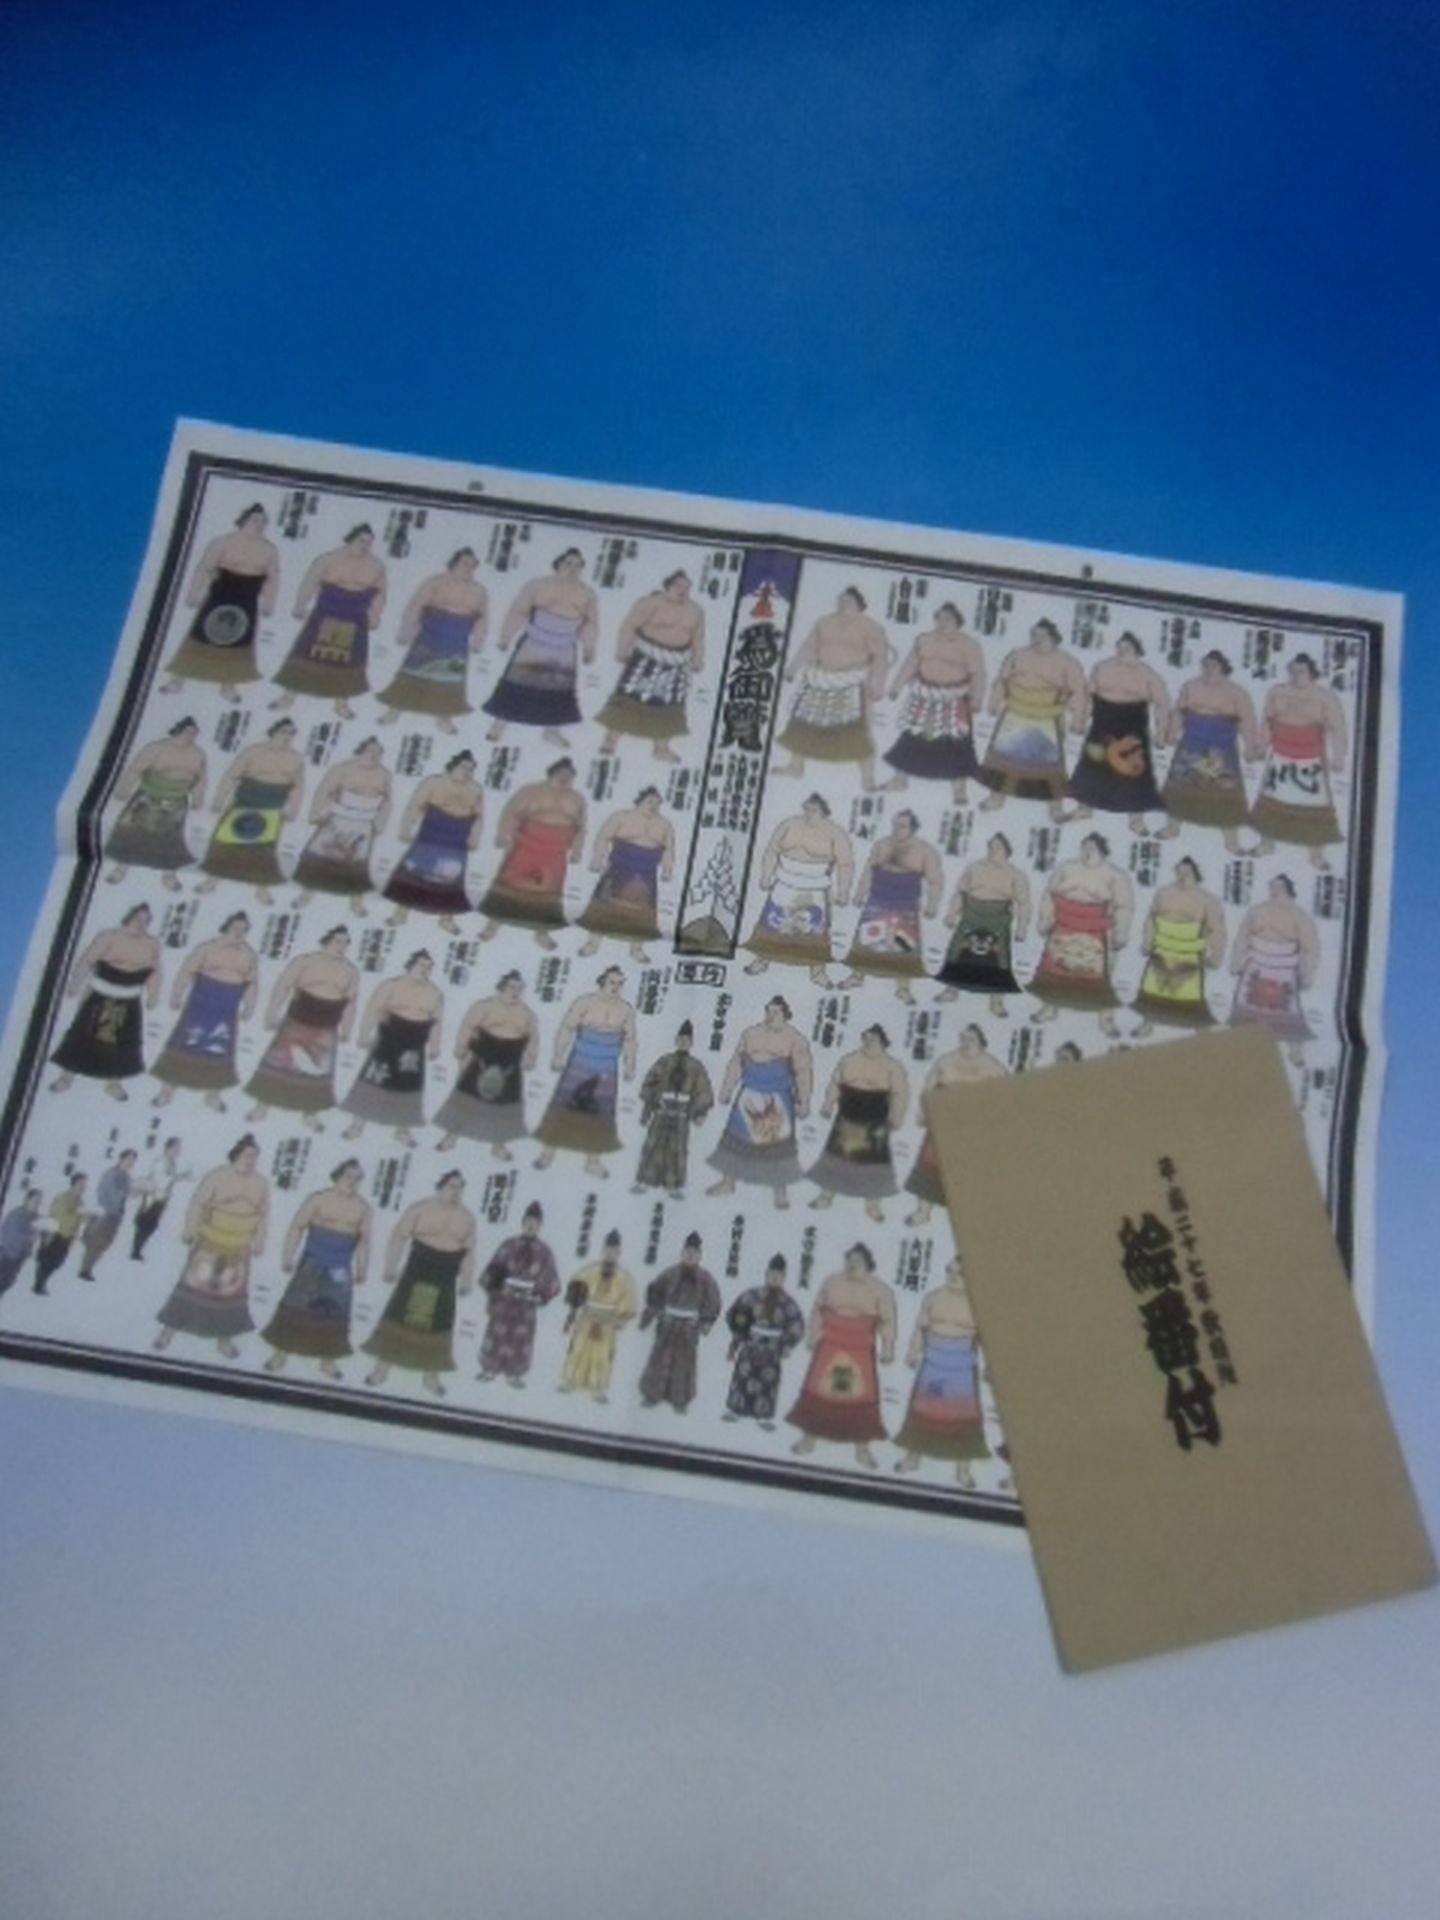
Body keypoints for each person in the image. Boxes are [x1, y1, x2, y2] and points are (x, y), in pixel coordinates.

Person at [363, 1170, 477, 1397]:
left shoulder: (467, 1218)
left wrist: (466, 1279)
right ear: (440, 1187)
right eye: (452, 1186)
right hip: (417, 1268)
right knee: (398, 1318)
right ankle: (381, 1370)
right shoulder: (420, 1209)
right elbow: (399, 1236)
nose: (456, 1191)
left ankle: (430, 1378)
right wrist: (390, 1267)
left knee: (440, 1326)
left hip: (446, 1273)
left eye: (460, 1187)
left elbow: (469, 1251)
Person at [153, 1135, 268, 1359]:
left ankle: (224, 1342)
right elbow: (198, 1203)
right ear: (237, 1154)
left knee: (230, 1297)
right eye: (248, 1155)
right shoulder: (217, 1176)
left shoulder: (261, 1183)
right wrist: (190, 1229)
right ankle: (167, 1334)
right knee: (191, 1289)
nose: (252, 1160)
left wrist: (259, 1241)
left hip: (239, 1247)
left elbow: (264, 1215)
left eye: (255, 1156)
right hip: (210, 1241)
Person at [787, 1243, 897, 1469]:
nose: (852, 1264)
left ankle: (862, 1449)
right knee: (817, 1393)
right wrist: (813, 1335)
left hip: (860, 1348)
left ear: (868, 1264)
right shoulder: (832, 1282)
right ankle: (808, 1440)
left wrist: (888, 1348)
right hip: (829, 1344)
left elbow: (888, 1321)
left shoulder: (880, 1290)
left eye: (858, 1261)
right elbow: (818, 1310)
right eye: (849, 1260)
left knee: (861, 1399)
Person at [261, 1160, 372, 1380]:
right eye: (349, 1176)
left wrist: (362, 1269)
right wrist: (288, 1256)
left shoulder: (363, 1208)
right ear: (337, 1176)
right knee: (295, 1307)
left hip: (340, 1268)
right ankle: (280, 1354)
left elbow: (364, 1241)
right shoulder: (318, 1199)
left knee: (335, 1314)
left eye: (358, 1179)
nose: (353, 1182)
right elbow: (297, 1227)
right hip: (312, 1262)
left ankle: (327, 1362)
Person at [773, 587, 890, 788]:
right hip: (820, 679)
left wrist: (877, 685)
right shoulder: (824, 622)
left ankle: (868, 777)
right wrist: (792, 668)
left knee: (861, 731)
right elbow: (808, 647)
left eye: (849, 601)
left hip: (854, 683)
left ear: (860, 605)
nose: (843, 604)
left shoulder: (871, 628)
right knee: (802, 724)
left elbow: (880, 658)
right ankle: (795, 766)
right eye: (841, 600)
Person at [160, 502, 279, 698]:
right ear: (244, 520)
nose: (259, 525)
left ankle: (228, 685)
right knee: (200, 636)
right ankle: (178, 680)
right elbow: (205, 568)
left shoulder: (269, 550)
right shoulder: (223, 542)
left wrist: (269, 603)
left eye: (263, 522)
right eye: (255, 520)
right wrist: (193, 594)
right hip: (221, 593)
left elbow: (272, 578)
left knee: (239, 642)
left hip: (248, 598)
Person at [244, 927, 360, 1126]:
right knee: (280, 1063)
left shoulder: (351, 971)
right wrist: (271, 1014)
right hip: (298, 1017)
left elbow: (350, 1003)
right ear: (326, 941)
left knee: (317, 1070)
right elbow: (283, 986)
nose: (342, 946)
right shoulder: (305, 961)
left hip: (327, 1024)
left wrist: (347, 1030)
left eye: (346, 943)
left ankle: (310, 1113)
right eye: (338, 941)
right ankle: (262, 1105)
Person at [483, 547, 598, 746]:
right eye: (568, 563)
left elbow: (590, 623)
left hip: (564, 647)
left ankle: (551, 730)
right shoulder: (537, 585)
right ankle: (499, 724)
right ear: (558, 565)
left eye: (578, 565)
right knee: (516, 684)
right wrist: (506, 637)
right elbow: (518, 611)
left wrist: (589, 649)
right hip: (534, 642)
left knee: (559, 691)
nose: (573, 569)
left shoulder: (587, 594)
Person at [706, 997, 813, 1209]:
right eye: (768, 1011)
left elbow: (803, 1073)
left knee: (778, 1146)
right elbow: (736, 1063)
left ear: (786, 1015)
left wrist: (804, 1101)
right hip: (749, 1093)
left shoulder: (795, 1039)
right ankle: (728, 1182)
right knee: (736, 1140)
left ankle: (780, 1190)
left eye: (776, 1012)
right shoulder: (750, 1034)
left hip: (777, 1097)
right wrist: (727, 1089)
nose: (770, 1016)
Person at [893, 1257, 991, 1488]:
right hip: (933, 1363)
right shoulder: (933, 1298)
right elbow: (920, 1328)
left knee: (964, 1419)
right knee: (922, 1412)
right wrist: (913, 1352)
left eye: (960, 1273)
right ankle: (912, 1459)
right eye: (950, 1271)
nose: (953, 1277)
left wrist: (989, 1367)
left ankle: (962, 1471)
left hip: (962, 1367)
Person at [271, 523, 387, 717]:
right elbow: (310, 582)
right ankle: (288, 697)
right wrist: (300, 605)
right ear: (351, 538)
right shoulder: (329, 559)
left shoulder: (377, 566)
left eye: (369, 542)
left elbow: (380, 594)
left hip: (356, 615)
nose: (365, 545)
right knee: (306, 654)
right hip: (326, 611)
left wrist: (375, 616)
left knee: (350, 661)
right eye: (361, 540)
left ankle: (341, 704)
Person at [532, 968, 638, 1176]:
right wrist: (558, 1055)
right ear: (602, 981)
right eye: (612, 982)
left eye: (620, 983)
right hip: (580, 1060)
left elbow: (630, 1040)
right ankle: (547, 1152)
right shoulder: (585, 1002)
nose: (616, 987)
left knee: (600, 1112)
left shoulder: (626, 1010)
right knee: (564, 1106)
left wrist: (630, 1065)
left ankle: (593, 1160)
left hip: (607, 1065)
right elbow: (567, 1028)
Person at [49, 905, 162, 1099]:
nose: (141, 924)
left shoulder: (152, 944)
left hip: (129, 999)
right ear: (128, 917)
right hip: (100, 994)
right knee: (83, 1035)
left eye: (146, 920)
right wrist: (75, 984)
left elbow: (155, 972)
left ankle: (113, 1083)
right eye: (138, 918)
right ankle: (66, 1078)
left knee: (124, 1043)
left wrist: (153, 995)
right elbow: (87, 959)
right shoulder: (109, 936)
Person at [977, 618, 1087, 818]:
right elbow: (1002, 680)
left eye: (1041, 635)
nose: (1036, 639)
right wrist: (994, 702)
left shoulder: (1067, 662)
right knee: (1002, 761)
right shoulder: (1018, 655)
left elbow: (1078, 691)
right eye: (1033, 634)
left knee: (1050, 767)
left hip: (1047, 717)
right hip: (1015, 712)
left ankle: (1055, 808)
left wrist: (1078, 720)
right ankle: (996, 798)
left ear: (1053, 638)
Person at [150, 911, 259, 1110]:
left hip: (227, 1010)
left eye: (244, 930)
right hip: (200, 1005)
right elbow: (187, 971)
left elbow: (251, 983)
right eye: (236, 927)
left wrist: (249, 1007)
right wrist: (176, 995)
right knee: (184, 1045)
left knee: (219, 1050)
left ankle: (213, 1095)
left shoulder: (249, 955)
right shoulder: (207, 948)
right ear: (227, 927)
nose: (239, 932)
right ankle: (167, 1091)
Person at [1249, 654, 1349, 869]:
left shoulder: (1324, 697)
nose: (1296, 676)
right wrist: (1261, 746)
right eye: (1292, 671)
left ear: (1311, 673)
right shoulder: (1277, 693)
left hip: (1310, 760)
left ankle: (1316, 855)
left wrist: (1339, 757)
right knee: (1271, 802)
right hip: (1280, 756)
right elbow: (1267, 722)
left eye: (1301, 671)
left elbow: (1337, 728)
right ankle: (1266, 844)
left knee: (1315, 807)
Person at [1029, 832, 1134, 1035]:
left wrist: (1121, 933)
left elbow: (1124, 907)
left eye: (1092, 847)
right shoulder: (1067, 868)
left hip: (1098, 932)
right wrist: (1044, 920)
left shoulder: (1115, 875)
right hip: (1063, 927)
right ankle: (1049, 1009)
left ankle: (1106, 1019)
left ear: (1102, 851)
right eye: (1085, 846)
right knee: (1053, 973)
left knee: (1102, 980)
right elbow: (1049, 895)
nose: (1087, 851)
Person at [1064, 632, 1171, 832]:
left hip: (1132, 724)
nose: (1121, 651)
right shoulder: (1102, 667)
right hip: (1103, 721)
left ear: (1137, 651)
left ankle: (1136, 818)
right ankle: (1084, 808)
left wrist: (1161, 735)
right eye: (1119, 647)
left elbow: (1162, 705)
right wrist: (1079, 721)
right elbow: (1087, 696)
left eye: (1127, 648)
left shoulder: (1148, 674)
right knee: (1092, 766)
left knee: (1134, 772)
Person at [595, 570, 706, 760]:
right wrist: (623, 649)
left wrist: (698, 658)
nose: (683, 590)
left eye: (687, 587)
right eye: (678, 585)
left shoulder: (696, 610)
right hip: (646, 657)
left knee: (669, 706)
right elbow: (630, 625)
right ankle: (611, 741)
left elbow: (698, 637)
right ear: (668, 585)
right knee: (628, 700)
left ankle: (661, 748)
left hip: (677, 663)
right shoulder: (650, 603)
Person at [1157, 650, 1262, 850]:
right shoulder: (1191, 686)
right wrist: (1171, 733)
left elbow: (1247, 721)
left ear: (1223, 668)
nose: (1208, 669)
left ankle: (1231, 841)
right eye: (1205, 665)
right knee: (1178, 789)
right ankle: (1172, 828)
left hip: (1221, 749)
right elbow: (1179, 712)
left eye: (1213, 665)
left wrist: (1250, 747)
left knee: (1226, 793)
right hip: (1191, 745)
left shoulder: (1237, 693)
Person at [475, 758, 586, 947]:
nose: (565, 778)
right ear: (552, 773)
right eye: (562, 773)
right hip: (526, 845)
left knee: (549, 892)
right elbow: (511, 812)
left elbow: (581, 827)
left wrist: (577, 849)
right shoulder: (531, 791)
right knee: (510, 885)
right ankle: (493, 925)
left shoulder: (577, 799)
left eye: (569, 775)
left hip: (556, 851)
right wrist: (503, 834)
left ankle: (541, 932)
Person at [744, 795, 854, 985]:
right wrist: (766, 875)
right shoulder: (789, 824)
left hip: (815, 888)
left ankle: (818, 971)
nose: (808, 814)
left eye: (814, 810)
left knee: (815, 931)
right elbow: (772, 850)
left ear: (824, 812)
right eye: (806, 809)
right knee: (772, 924)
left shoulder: (835, 832)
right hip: (784, 883)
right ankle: (762, 959)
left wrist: (843, 891)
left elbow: (845, 863)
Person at [882, 602, 987, 799]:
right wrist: (896, 686)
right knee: (911, 739)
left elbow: (978, 674)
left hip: (954, 700)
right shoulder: (924, 640)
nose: (942, 623)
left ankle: (959, 790)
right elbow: (910, 664)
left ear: (957, 621)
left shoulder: (969, 645)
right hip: (925, 697)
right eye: (938, 618)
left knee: (958, 745)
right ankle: (900, 780)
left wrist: (977, 699)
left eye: (947, 619)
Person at [904, 1027, 1006, 1227]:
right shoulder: (946, 1060)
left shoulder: (992, 1067)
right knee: (929, 1168)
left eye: (971, 1039)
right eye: (963, 1038)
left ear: (981, 1041)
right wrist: (922, 1112)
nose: (966, 1043)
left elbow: (1004, 1096)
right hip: (942, 1121)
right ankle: (922, 1212)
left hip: (973, 1126)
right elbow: (929, 1086)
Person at [376, 547, 489, 729]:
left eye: (473, 565)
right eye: (465, 563)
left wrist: (478, 641)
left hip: (457, 641)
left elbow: (482, 618)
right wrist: (406, 631)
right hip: (430, 635)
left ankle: (444, 718)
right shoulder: (435, 582)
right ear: (454, 563)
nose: (469, 568)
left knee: (451, 679)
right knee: (412, 673)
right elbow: (416, 606)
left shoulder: (479, 591)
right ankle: (394, 711)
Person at [340, 952, 444, 1147]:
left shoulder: (435, 993)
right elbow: (373, 1010)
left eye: (430, 966)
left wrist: (434, 1047)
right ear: (410, 965)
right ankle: (357, 1125)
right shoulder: (390, 986)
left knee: (409, 1088)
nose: (426, 970)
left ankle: (402, 1130)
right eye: (422, 965)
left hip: (414, 1045)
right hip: (388, 1040)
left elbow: (436, 1023)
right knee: (373, 1082)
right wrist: (364, 1035)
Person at [837, 810, 942, 1003]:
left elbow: (935, 880)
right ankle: (857, 976)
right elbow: (869, 870)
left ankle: (903, 988)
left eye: (902, 826)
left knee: (904, 945)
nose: (897, 829)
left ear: (912, 828)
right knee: (867, 938)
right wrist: (860, 893)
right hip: (878, 898)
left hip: (905, 903)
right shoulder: (882, 844)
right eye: (895, 825)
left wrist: (932, 904)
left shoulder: (925, 850)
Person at [808, 1026, 910, 1222]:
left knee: (875, 1165)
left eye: (873, 1039)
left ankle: (873, 1206)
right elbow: (835, 1083)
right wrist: (828, 1104)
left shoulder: (893, 1066)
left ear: (883, 1042)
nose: (867, 1042)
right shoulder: (849, 1060)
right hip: (847, 1115)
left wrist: (895, 1120)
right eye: (865, 1038)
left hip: (875, 1118)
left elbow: (900, 1095)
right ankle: (826, 1197)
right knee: (835, 1160)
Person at [433, 972, 538, 1156]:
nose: (516, 992)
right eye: (512, 987)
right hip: (483, 1057)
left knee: (506, 1106)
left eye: (520, 988)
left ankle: (498, 1145)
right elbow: (468, 1026)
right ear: (502, 986)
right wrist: (461, 1047)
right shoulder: (484, 1006)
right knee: (466, 1099)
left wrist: (532, 1057)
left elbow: (533, 1037)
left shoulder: (527, 1014)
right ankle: (451, 1137)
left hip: (510, 1062)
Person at [198, 720, 305, 900]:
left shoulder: (296, 758)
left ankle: (261, 887)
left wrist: (294, 810)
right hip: (246, 801)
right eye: (284, 731)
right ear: (273, 732)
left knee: (264, 849)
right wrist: (218, 800)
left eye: (291, 733)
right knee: (226, 842)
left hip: (273, 806)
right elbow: (231, 776)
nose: (288, 736)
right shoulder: (253, 752)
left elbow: (297, 787)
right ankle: (212, 879)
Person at [383, 750, 484, 932]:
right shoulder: (433, 783)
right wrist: (405, 829)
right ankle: (401, 913)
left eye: (471, 769)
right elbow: (415, 805)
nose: (467, 772)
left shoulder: (475, 789)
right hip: (430, 836)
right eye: (463, 767)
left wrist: (474, 837)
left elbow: (478, 816)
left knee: (451, 881)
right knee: (414, 874)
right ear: (452, 766)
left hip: (457, 840)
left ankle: (446, 918)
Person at [1227, 874, 1320, 1065]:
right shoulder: (1257, 911)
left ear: (1288, 889)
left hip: (1284, 969)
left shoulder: (1299, 915)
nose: (1273, 890)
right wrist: (1236, 962)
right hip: (1256, 965)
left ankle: (1295, 1051)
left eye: (1278, 887)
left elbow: (1310, 948)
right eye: (1271, 886)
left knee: (1290, 1014)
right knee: (1245, 1011)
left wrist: (1307, 975)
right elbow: (1242, 938)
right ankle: (1238, 1048)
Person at [934, 833, 1031, 1015]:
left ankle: (996, 1001)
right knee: (957, 953)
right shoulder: (974, 868)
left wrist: (1022, 927)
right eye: (990, 847)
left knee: (999, 961)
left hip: (998, 920)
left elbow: (1023, 904)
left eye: (997, 848)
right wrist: (951, 914)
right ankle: (951, 991)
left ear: (1007, 851)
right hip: (970, 916)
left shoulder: (1016, 875)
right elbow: (960, 893)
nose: (992, 851)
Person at [104, 718, 208, 888]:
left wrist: (197, 800)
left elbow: (201, 780)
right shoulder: (156, 748)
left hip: (177, 801)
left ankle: (169, 875)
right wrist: (123, 790)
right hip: (148, 796)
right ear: (178, 730)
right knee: (131, 834)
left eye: (194, 733)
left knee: (169, 840)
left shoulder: (198, 754)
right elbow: (136, 768)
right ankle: (120, 868)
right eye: (188, 731)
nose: (191, 735)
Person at [576, 788, 675, 962]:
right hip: (619, 866)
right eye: (650, 801)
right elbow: (603, 837)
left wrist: (667, 869)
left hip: (647, 871)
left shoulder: (665, 825)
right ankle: (592, 943)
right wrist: (597, 859)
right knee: (603, 906)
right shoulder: (621, 817)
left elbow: (669, 849)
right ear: (640, 801)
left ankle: (636, 949)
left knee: (642, 913)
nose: (654, 806)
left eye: (658, 803)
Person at [292, 737, 393, 908]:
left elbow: (387, 801)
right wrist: (314, 815)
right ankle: (306, 895)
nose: (374, 755)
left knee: (357, 865)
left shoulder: (385, 775)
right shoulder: (342, 769)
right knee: (319, 859)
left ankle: (355, 902)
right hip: (338, 819)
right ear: (360, 751)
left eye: (378, 752)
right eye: (370, 750)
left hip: (364, 823)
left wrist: (381, 824)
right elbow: (323, 791)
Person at [1132, 857, 1228, 1033]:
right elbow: (1151, 919)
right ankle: (1147, 1024)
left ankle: (1201, 1031)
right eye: (1179, 871)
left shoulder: (1208, 900)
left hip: (1189, 953)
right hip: (1161, 949)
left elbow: (1216, 931)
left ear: (1196, 873)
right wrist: (1147, 942)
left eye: (1187, 872)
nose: (1182, 875)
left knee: (1191, 996)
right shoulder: (1163, 893)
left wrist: (1216, 957)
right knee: (1151, 991)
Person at [476, 1201, 560, 1386]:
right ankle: (489, 1369)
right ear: (522, 1222)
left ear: (540, 1226)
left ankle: (514, 1374)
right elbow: (493, 1269)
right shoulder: (509, 1245)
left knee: (521, 1339)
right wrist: (495, 1288)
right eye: (528, 1222)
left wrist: (540, 1295)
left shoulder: (545, 1251)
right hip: (504, 1298)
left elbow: (551, 1280)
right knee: (496, 1333)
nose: (531, 1226)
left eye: (535, 1223)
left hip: (527, 1302)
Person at [637, 1232, 722, 1413]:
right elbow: (654, 1292)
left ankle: (680, 1400)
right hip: (668, 1324)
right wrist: (653, 1312)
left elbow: (713, 1302)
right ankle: (652, 1395)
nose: (690, 1256)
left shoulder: (706, 1279)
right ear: (682, 1253)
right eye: (687, 1252)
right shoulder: (669, 1274)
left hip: (689, 1327)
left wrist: (706, 1322)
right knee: (660, 1359)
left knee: (684, 1364)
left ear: (699, 1256)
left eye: (694, 1253)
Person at [722, 1254, 806, 1429]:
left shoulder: (788, 1303)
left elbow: (796, 1325)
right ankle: (735, 1410)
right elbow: (737, 1315)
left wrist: (788, 1344)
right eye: (772, 1275)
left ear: (784, 1278)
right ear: (766, 1274)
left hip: (772, 1350)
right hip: (751, 1345)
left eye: (779, 1276)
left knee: (768, 1381)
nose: (775, 1279)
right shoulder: (752, 1295)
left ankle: (763, 1416)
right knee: (743, 1377)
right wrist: (737, 1339)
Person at [632, 1021, 714, 1197]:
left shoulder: (696, 1066)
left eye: (687, 1040)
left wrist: (699, 1112)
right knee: (653, 1145)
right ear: (676, 1041)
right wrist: (651, 1102)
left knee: (677, 1149)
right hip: (662, 1109)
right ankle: (644, 1181)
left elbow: (703, 1090)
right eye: (681, 1039)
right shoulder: (664, 1061)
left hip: (682, 1113)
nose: (683, 1043)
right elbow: (650, 1082)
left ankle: (673, 1185)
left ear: (691, 1043)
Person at [559, 1229, 636, 1403]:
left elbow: (628, 1305)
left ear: (619, 1253)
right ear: (602, 1250)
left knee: (602, 1355)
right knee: (577, 1350)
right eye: (607, 1250)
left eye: (614, 1251)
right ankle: (570, 1381)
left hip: (607, 1322)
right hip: (587, 1317)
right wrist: (574, 1312)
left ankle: (598, 1388)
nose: (610, 1254)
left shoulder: (624, 1278)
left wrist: (617, 1319)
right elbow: (575, 1290)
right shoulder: (589, 1271)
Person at [77, 1149, 137, 1282]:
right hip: (105, 1213)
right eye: (129, 1159)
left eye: (133, 1160)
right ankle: (84, 1269)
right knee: (95, 1242)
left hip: (117, 1215)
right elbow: (105, 1193)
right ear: (121, 1159)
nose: (131, 1162)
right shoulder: (111, 1174)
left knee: (104, 1244)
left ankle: (89, 1269)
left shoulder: (127, 1177)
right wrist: (124, 1194)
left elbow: (128, 1192)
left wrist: (132, 1193)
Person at [130, 1137, 190, 1262]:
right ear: (169, 1148)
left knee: (152, 1224)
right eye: (176, 1147)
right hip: (153, 1197)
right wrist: (177, 1176)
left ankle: (137, 1250)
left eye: (178, 1148)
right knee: (145, 1223)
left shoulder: (171, 1162)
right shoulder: (161, 1161)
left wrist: (180, 1176)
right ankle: (135, 1250)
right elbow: (160, 1179)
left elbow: (170, 1178)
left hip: (161, 1198)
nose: (178, 1150)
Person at [32, 1175, 87, 1295]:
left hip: (67, 1237)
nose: (83, 1187)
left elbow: (80, 1220)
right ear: (74, 1184)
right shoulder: (62, 1198)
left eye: (84, 1184)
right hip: (55, 1234)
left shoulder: (80, 1201)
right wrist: (77, 1214)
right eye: (81, 1184)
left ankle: (42, 1284)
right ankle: (38, 1285)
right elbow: (60, 1218)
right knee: (46, 1261)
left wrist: (78, 1227)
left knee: (57, 1262)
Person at [0, 1189, 43, 1299]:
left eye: (39, 1202)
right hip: (8, 1255)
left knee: (9, 1281)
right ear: (26, 1200)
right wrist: (30, 1237)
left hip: (20, 1256)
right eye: (35, 1201)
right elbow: (10, 1235)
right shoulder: (16, 1215)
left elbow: (36, 1232)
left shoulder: (35, 1217)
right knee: (3, 1279)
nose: (37, 1204)